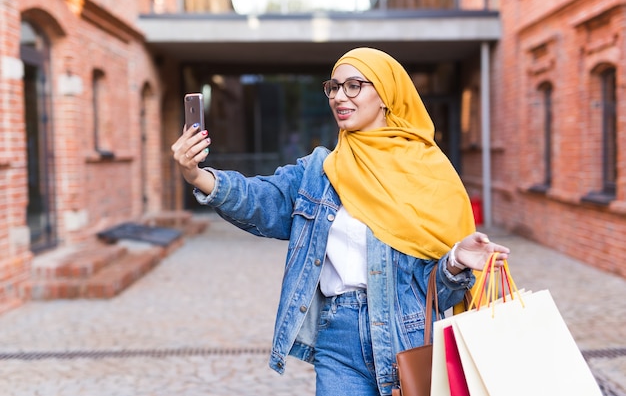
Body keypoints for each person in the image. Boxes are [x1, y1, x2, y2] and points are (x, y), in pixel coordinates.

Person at [171, 47, 510, 396]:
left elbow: (435, 293)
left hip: (407, 334)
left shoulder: (429, 173)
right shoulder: (319, 171)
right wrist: (196, 175)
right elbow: (262, 199)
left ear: (385, 95)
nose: (338, 97)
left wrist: (455, 262)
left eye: (354, 86)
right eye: (333, 87)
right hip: (338, 339)